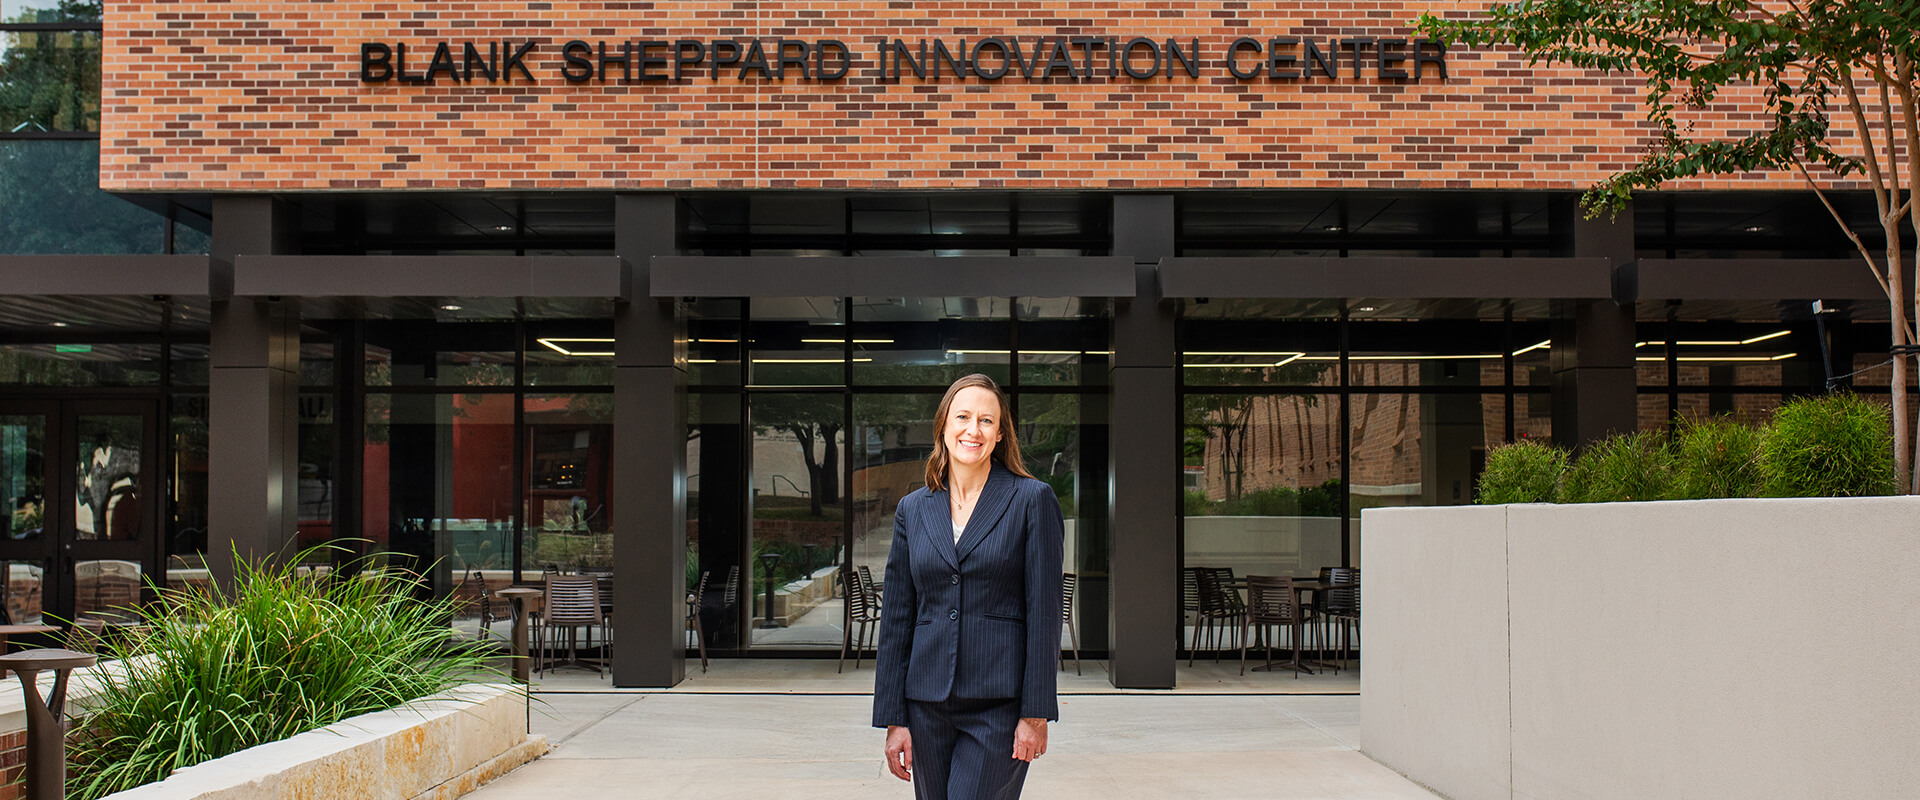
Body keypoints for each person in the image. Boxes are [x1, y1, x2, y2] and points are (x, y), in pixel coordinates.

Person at [872, 373, 1065, 799]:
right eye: (963, 416)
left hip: (999, 705)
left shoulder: (1031, 500)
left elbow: (1045, 613)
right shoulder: (913, 509)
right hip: (926, 704)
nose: (972, 429)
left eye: (985, 420)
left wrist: (1035, 713)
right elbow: (899, 617)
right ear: (943, 426)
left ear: (999, 434)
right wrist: (893, 718)